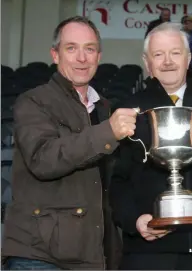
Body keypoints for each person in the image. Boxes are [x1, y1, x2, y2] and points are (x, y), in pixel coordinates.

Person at [1, 16, 137, 270]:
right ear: (55, 54)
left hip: (92, 254)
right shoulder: (33, 101)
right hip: (39, 255)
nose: (82, 58)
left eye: (90, 49)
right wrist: (106, 132)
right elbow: (43, 159)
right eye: (71, 48)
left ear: (98, 56)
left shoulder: (104, 109)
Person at [109, 22, 192, 270]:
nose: (167, 61)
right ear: (147, 62)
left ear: (188, 59)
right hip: (149, 251)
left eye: (175, 53)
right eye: (158, 54)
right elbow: (114, 180)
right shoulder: (126, 112)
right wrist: (134, 221)